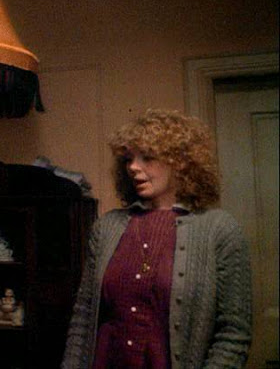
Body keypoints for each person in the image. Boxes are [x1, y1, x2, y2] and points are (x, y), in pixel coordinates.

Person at [62, 109, 252, 368]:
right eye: (128, 159)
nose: (133, 167)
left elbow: (234, 335)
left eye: (148, 157)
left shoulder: (219, 230)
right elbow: (83, 316)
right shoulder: (107, 227)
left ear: (180, 162)